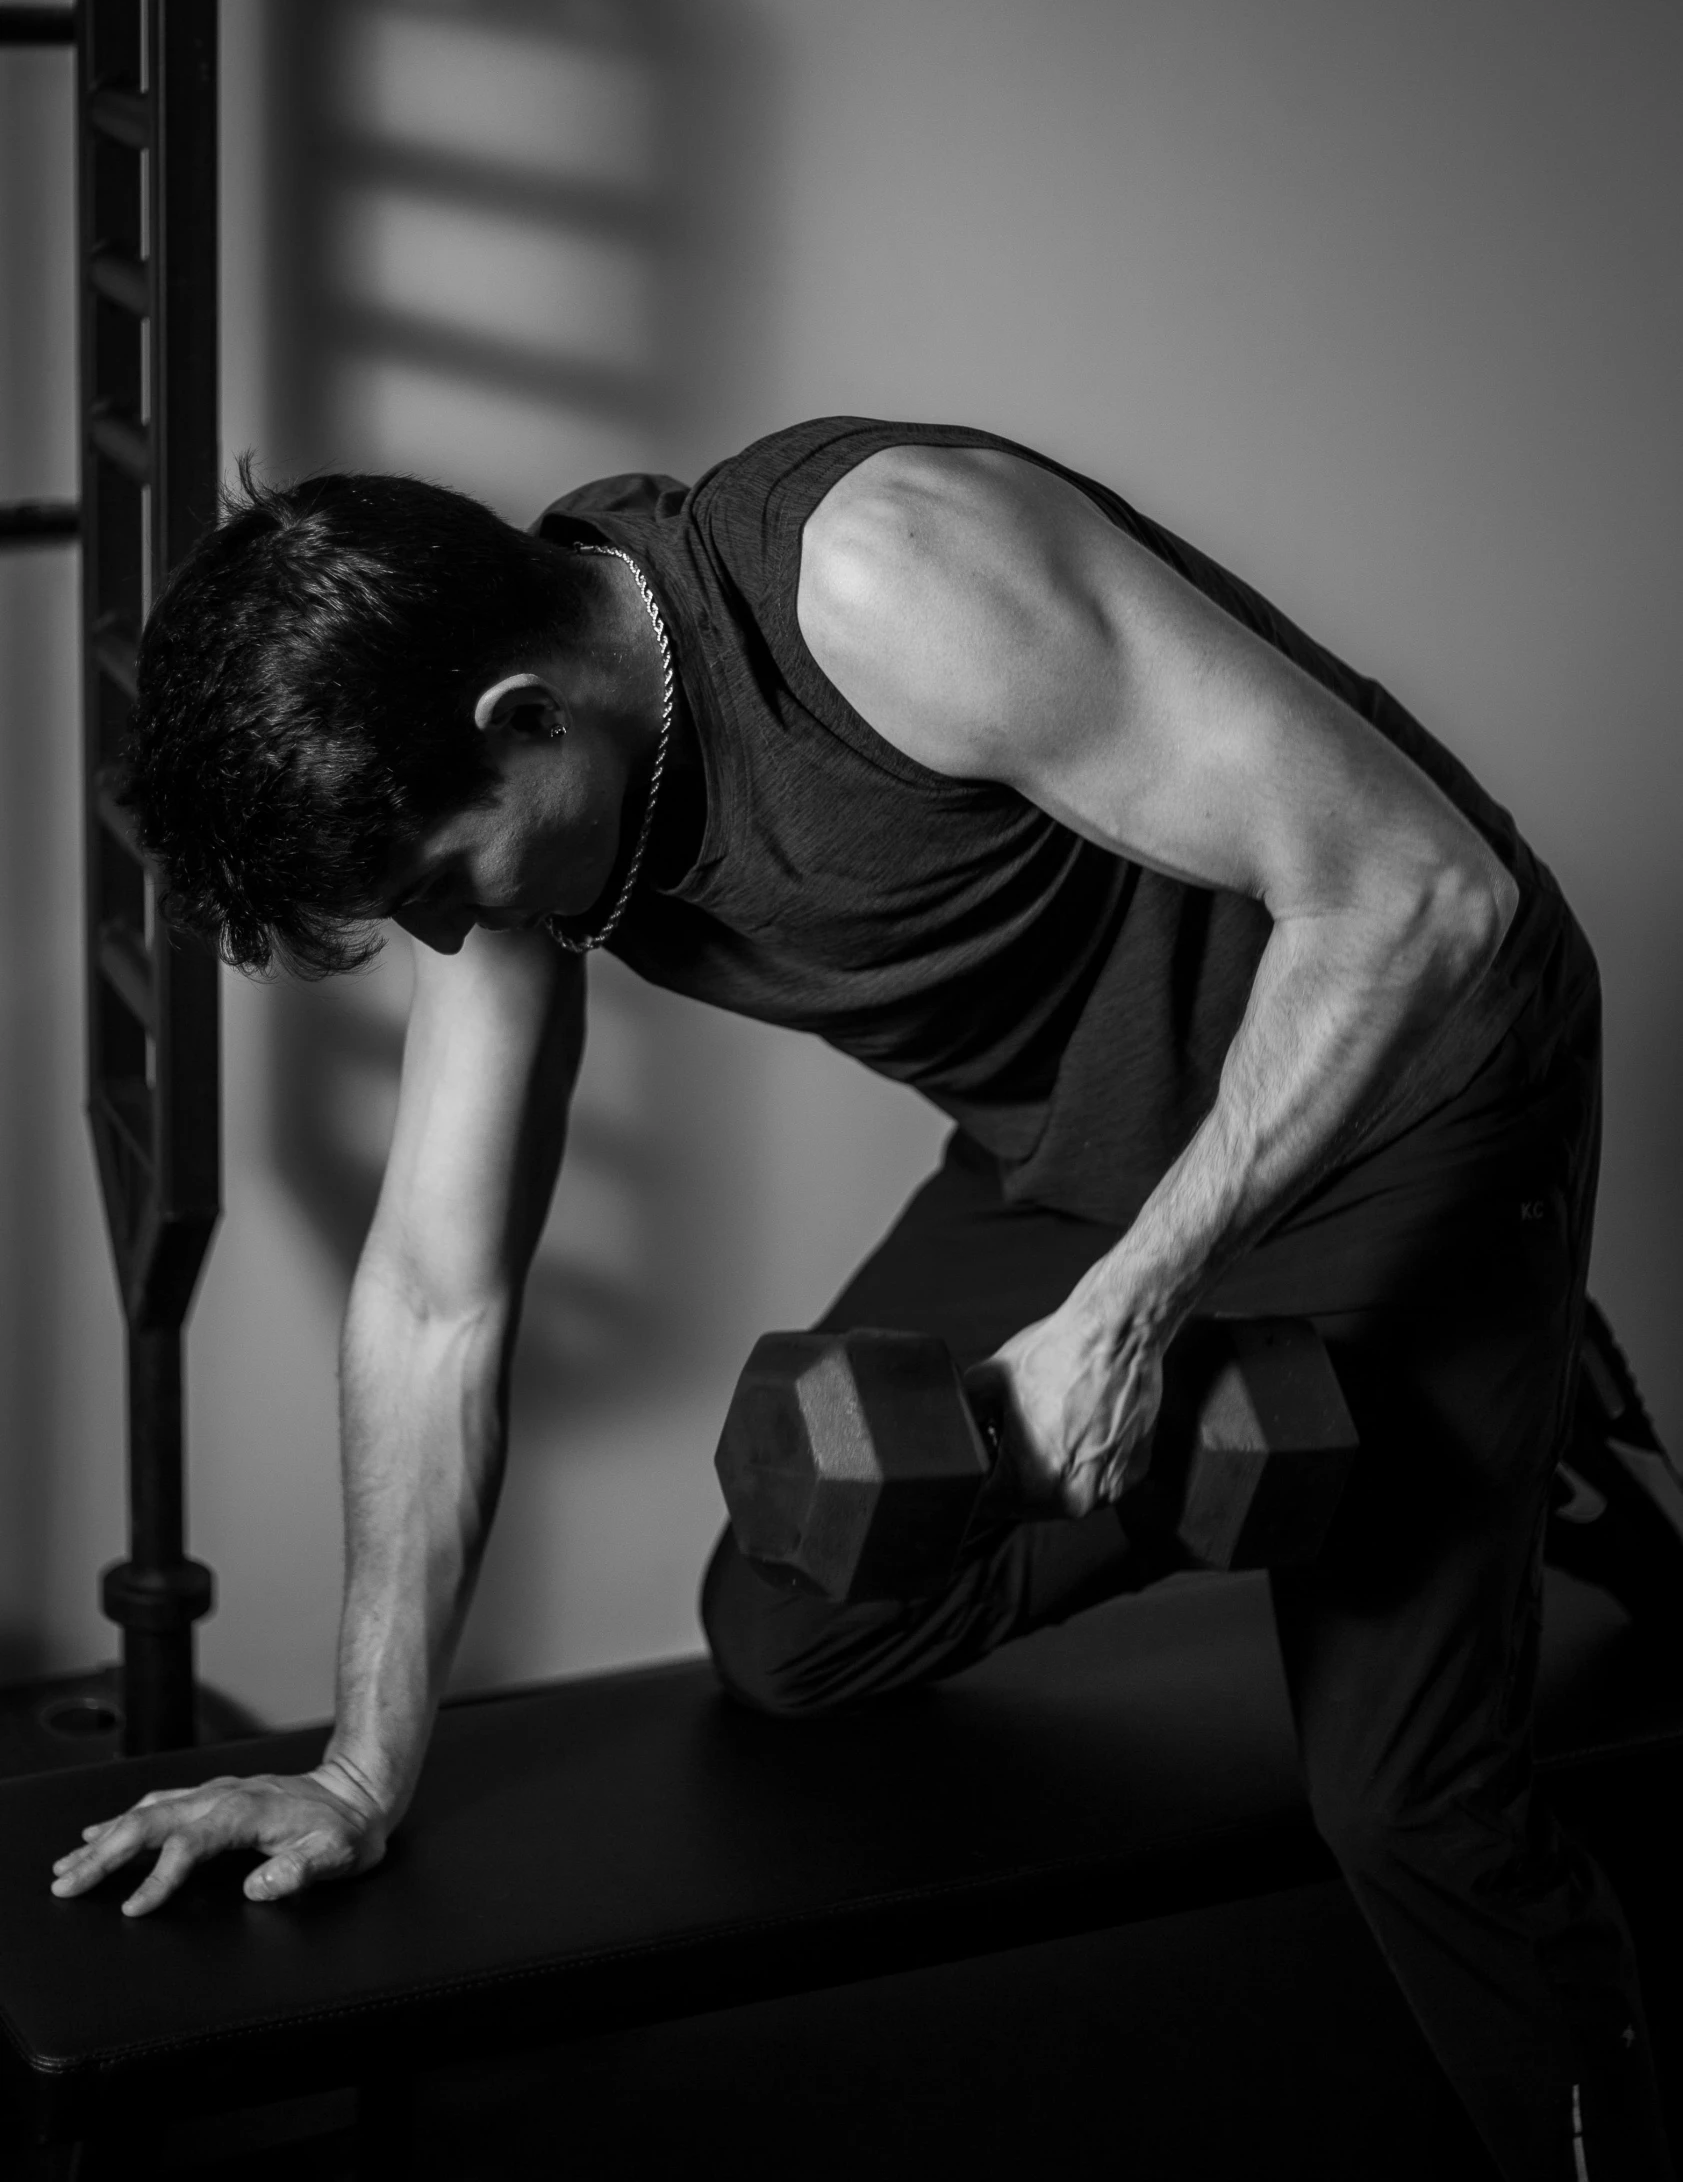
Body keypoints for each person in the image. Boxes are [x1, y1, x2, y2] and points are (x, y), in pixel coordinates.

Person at [47, 417, 1675, 2178]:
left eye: (439, 892)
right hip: (1090, 1142)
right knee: (798, 1624)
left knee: (1410, 1813)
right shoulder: (519, 752)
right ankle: (1486, 1417)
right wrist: (362, 1773)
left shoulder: (883, 579)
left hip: (1405, 1077)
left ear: (525, 717)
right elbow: (440, 1290)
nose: (450, 943)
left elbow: (1419, 892)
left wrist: (1124, 1317)